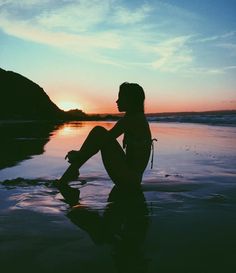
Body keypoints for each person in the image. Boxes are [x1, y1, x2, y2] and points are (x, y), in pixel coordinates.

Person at [57, 82, 153, 205]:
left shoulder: (132, 120)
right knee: (99, 133)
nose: (117, 101)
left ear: (131, 100)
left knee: (99, 132)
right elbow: (105, 140)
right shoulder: (136, 118)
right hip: (131, 179)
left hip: (128, 180)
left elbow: (104, 139)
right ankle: (71, 172)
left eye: (121, 97)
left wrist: (80, 154)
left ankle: (69, 174)